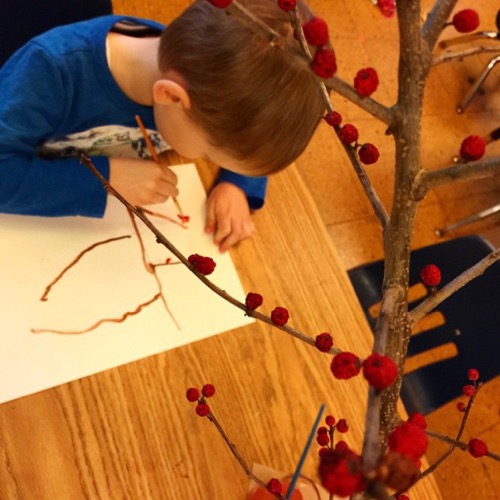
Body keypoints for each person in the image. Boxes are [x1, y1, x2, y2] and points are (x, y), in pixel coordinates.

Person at [0, 0, 326, 252]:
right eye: (211, 155)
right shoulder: (50, 73)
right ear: (170, 96)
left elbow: (254, 112)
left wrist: (238, 183)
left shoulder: (201, 64)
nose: (208, 160)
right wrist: (105, 179)